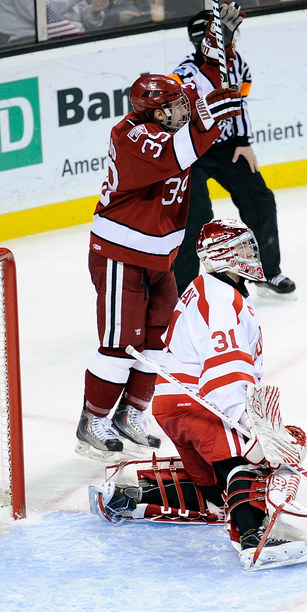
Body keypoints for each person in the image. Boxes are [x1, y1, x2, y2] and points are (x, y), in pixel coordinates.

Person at [89, 219, 307, 570]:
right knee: (252, 461)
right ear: (221, 256)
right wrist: (246, 424)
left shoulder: (206, 289)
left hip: (174, 403)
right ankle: (254, 538)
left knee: (215, 489)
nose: (250, 254)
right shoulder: (221, 298)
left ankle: (132, 497)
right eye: (242, 248)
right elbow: (223, 369)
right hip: (202, 400)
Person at [75, 73, 243, 462]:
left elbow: (203, 92)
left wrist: (221, 60)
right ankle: (93, 419)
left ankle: (131, 413)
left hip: (158, 259)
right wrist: (208, 118)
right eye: (177, 106)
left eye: (185, 105)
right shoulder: (131, 134)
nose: (184, 109)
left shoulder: (168, 124)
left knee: (158, 345)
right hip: (122, 254)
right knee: (120, 347)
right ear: (153, 110)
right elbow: (178, 154)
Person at [168, 4, 297, 298]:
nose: (232, 42)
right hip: (194, 153)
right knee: (195, 216)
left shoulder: (237, 63)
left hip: (229, 147)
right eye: (223, 38)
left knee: (260, 199)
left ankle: (266, 271)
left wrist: (243, 140)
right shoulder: (184, 73)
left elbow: (240, 102)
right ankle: (182, 290)